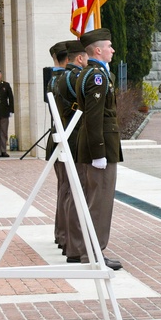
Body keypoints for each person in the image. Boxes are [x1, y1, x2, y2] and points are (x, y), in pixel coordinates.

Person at [72, 28, 123, 271]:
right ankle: (93, 254)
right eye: (109, 46)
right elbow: (94, 118)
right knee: (100, 203)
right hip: (100, 148)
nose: (113, 50)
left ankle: (91, 252)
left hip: (99, 146)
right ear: (98, 50)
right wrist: (99, 153)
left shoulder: (94, 73)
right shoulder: (97, 76)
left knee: (97, 201)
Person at [58, 41, 88, 263]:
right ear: (80, 58)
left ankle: (68, 241)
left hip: (69, 135)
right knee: (77, 192)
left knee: (69, 191)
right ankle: (75, 246)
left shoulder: (60, 77)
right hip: (76, 137)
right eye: (86, 57)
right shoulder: (75, 77)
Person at [45, 42, 69, 250]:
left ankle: (61, 234)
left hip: (56, 139)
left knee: (64, 189)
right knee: (67, 189)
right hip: (64, 140)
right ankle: (64, 235)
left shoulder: (53, 79)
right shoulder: (63, 79)